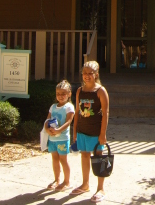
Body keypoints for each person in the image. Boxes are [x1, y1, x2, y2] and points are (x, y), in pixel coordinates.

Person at [71, 60, 109, 203]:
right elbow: (77, 111)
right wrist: (74, 131)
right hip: (82, 130)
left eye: (90, 73)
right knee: (84, 156)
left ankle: (100, 188)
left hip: (96, 131)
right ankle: (85, 184)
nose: (87, 76)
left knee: (99, 158)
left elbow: (106, 113)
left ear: (96, 74)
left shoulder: (100, 91)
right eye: (84, 73)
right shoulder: (80, 91)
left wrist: (103, 133)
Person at [45, 79, 75, 191]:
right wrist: (47, 129)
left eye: (63, 94)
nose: (60, 96)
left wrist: (58, 131)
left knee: (63, 160)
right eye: (58, 94)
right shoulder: (52, 107)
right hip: (52, 138)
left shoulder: (69, 107)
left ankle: (67, 181)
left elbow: (68, 122)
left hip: (62, 138)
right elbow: (47, 120)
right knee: (54, 159)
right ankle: (56, 180)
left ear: (69, 94)